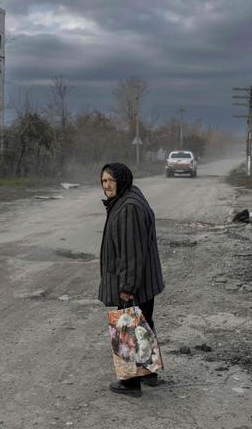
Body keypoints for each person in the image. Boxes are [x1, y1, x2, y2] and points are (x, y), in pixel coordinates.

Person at [99, 162, 164, 397]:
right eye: (104, 181)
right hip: (144, 279)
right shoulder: (130, 196)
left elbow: (131, 252)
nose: (107, 185)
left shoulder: (127, 207)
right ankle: (148, 373)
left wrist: (127, 287)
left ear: (122, 181)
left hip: (135, 281)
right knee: (142, 326)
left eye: (111, 181)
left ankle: (130, 383)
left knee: (127, 326)